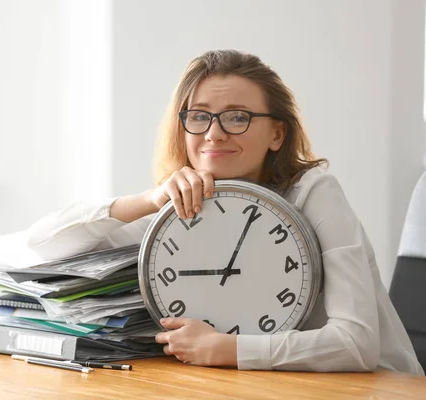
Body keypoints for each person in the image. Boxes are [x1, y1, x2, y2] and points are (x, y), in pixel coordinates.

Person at [24, 50, 424, 375]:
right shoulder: (178, 204)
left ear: (277, 134)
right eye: (198, 116)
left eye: (238, 117)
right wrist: (148, 200)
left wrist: (227, 349)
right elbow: (43, 246)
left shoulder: (314, 192)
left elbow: (355, 344)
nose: (214, 133)